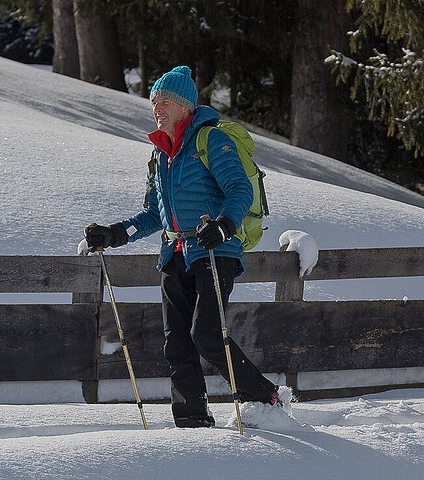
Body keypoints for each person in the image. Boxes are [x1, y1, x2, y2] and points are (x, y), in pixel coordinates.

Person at [82, 65, 285, 428]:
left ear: (184, 106)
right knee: (177, 345)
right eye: (153, 102)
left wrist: (223, 226)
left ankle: (265, 398)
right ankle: (191, 419)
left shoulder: (211, 140)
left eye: (164, 101)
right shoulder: (161, 156)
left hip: (214, 252)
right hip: (174, 255)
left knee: (206, 335)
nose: (157, 108)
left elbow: (240, 189)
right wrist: (114, 234)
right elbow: (153, 214)